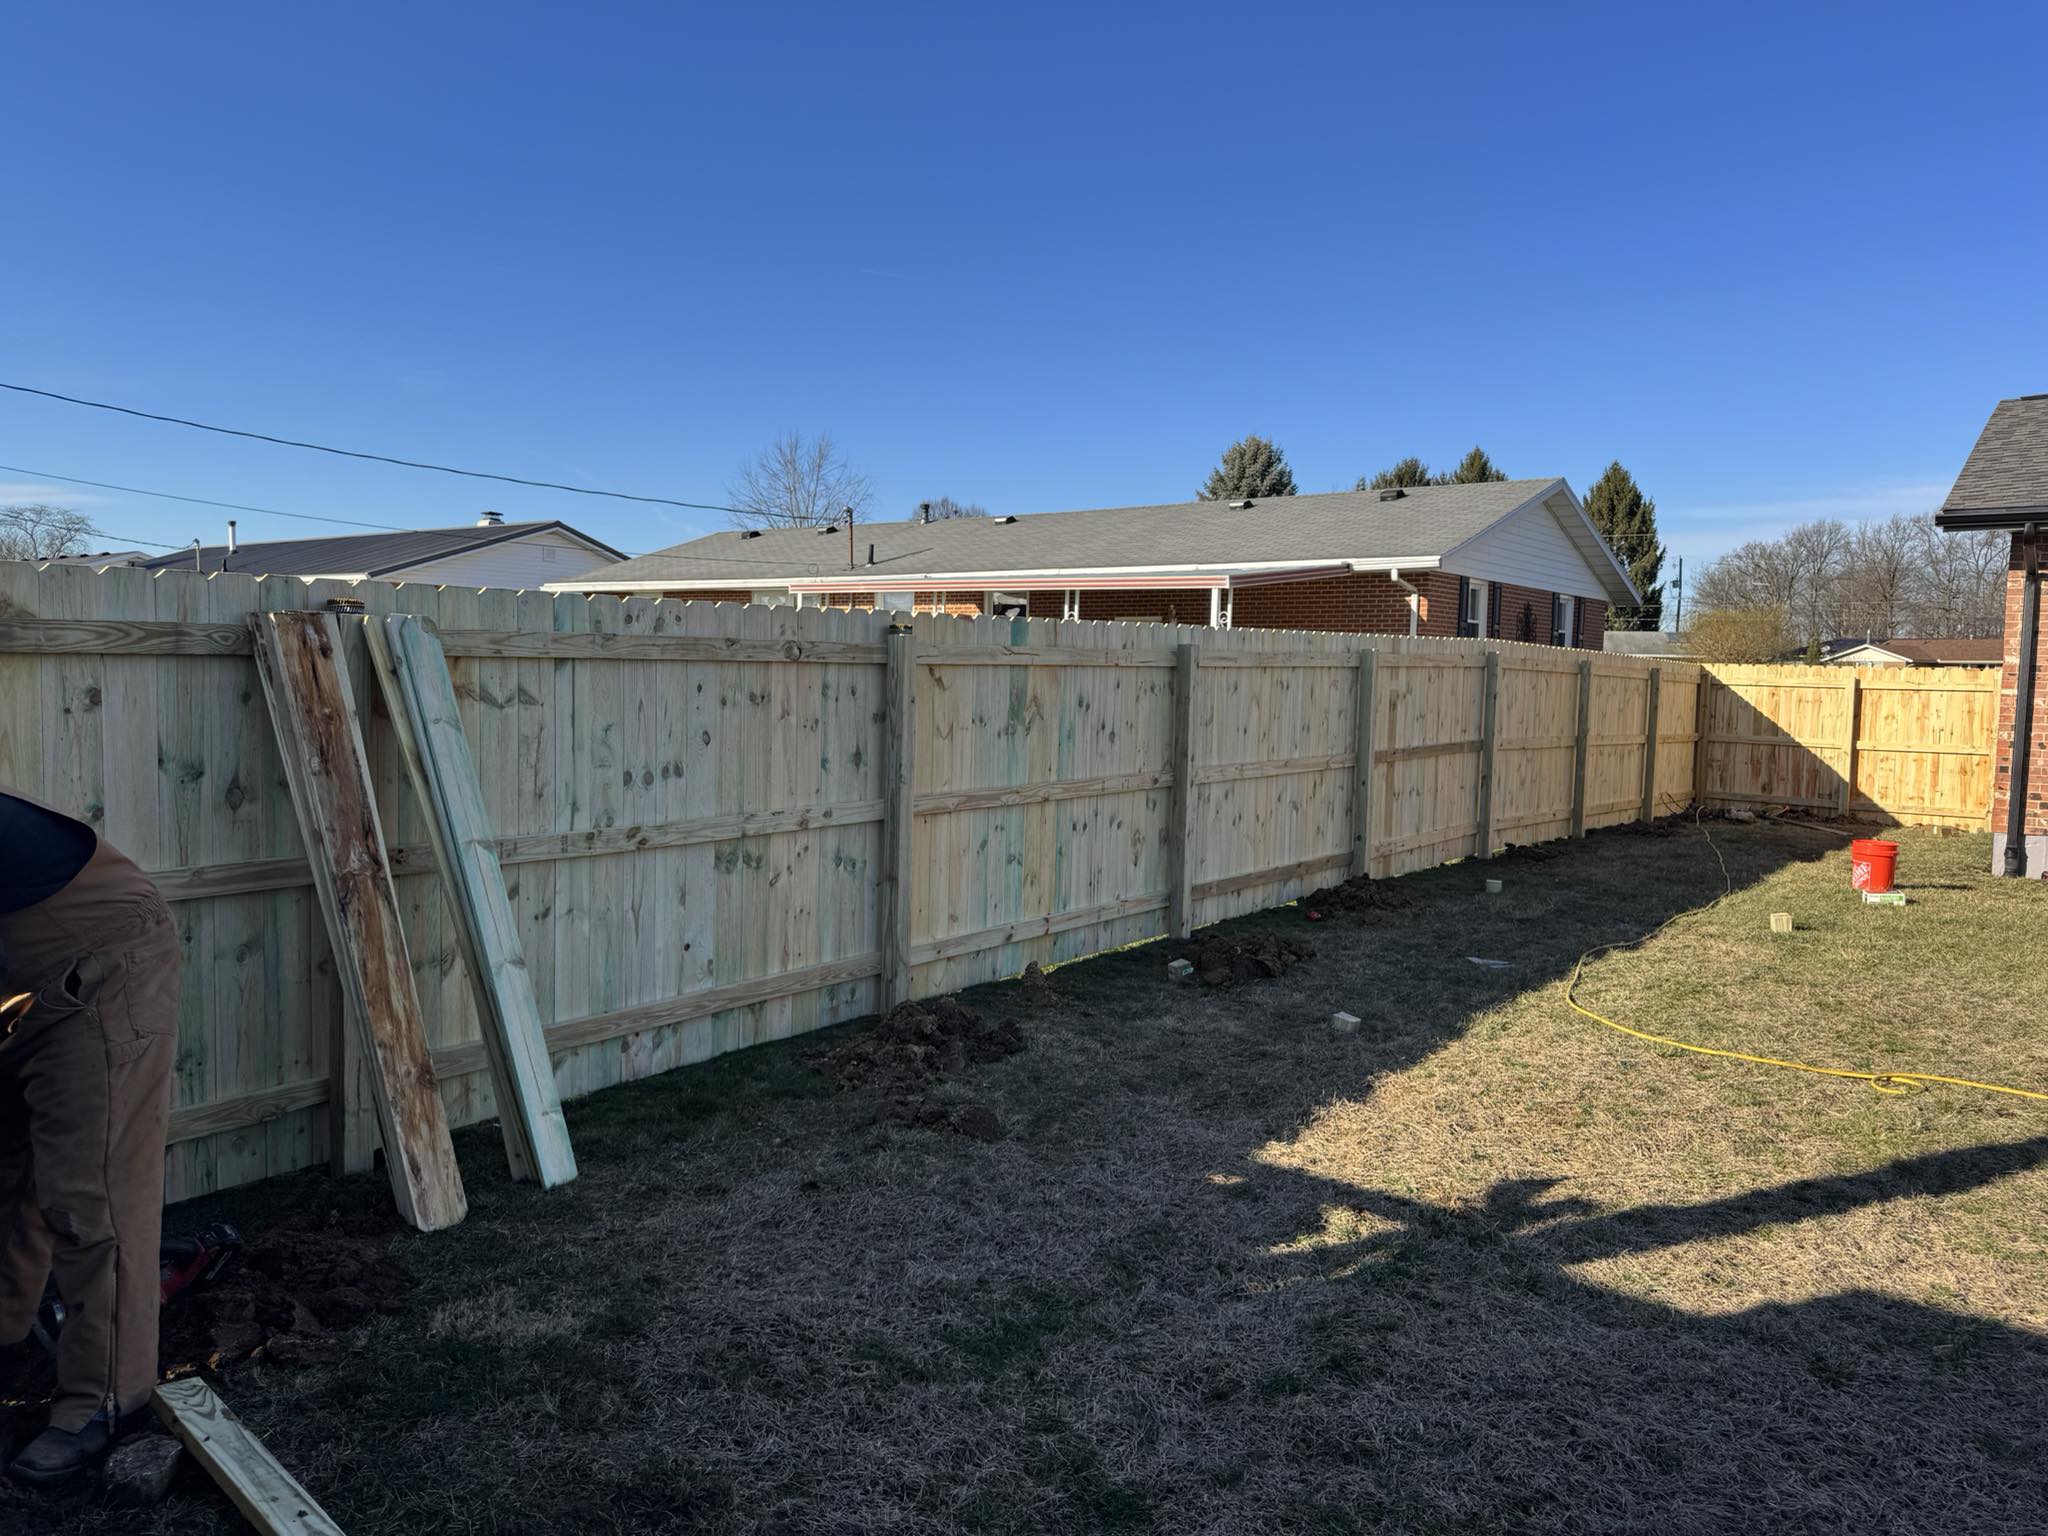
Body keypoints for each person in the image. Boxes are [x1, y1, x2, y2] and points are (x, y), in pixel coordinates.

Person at [0, 787, 180, 1485]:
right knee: (8, 1175)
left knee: (91, 1196)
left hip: (103, 962)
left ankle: (106, 1400)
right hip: (19, 967)